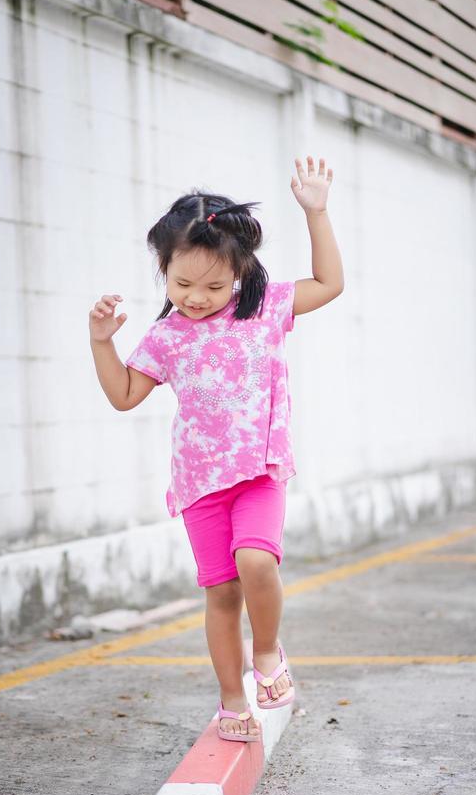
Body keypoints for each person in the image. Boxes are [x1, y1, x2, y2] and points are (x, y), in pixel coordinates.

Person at [89, 156, 344, 742]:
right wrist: (103, 342)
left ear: (240, 272)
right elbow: (125, 395)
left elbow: (329, 284)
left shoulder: (264, 308)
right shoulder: (166, 336)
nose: (197, 297)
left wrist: (317, 212)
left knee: (256, 562)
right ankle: (234, 701)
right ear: (163, 270)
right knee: (221, 593)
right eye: (182, 285)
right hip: (200, 483)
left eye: (213, 285)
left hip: (258, 472)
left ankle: (271, 653)